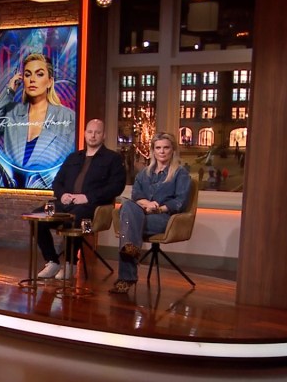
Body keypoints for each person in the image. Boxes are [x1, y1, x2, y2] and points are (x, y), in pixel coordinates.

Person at [35, 119, 126, 279]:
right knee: (37, 218)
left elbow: (116, 187)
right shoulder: (73, 157)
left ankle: (70, 264)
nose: (93, 135)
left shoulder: (113, 159)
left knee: (74, 219)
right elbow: (57, 182)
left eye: (97, 132)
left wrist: (87, 197)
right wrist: (62, 195)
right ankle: (52, 262)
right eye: (90, 132)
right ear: (84, 134)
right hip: (66, 203)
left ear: (104, 135)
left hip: (93, 209)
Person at [111, 132, 193, 293]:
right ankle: (131, 248)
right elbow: (136, 195)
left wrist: (158, 208)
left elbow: (180, 202)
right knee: (127, 205)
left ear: (173, 150)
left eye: (166, 148)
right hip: (142, 213)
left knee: (129, 226)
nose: (162, 151)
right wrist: (147, 204)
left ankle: (126, 277)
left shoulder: (180, 173)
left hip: (163, 218)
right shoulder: (144, 173)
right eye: (158, 148)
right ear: (153, 151)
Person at [0, 52, 77, 189]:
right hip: (11, 190)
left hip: (49, 190)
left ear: (50, 81)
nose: (32, 79)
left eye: (39, 74)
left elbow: (71, 160)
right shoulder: (12, 112)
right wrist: (9, 91)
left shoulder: (67, 117)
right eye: (27, 75)